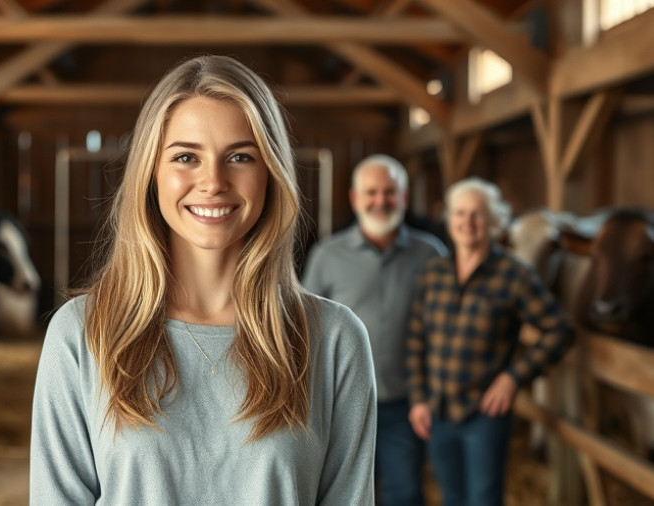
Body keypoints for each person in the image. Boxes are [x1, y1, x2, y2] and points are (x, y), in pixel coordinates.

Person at [29, 55, 377, 505]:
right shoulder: (81, 334)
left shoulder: (335, 339)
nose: (213, 181)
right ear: (152, 172)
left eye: (239, 156)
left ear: (270, 172)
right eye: (186, 157)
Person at [406, 177, 574, 506]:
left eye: (478, 214)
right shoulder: (433, 272)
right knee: (451, 498)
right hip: (438, 410)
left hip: (484, 414)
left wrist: (513, 378)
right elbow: (416, 339)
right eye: (460, 213)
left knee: (483, 499)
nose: (467, 223)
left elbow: (560, 330)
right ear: (450, 219)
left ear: (496, 222)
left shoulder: (515, 274)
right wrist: (418, 399)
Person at [302, 154, 447, 506]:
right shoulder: (327, 255)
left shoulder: (431, 255)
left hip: (405, 402)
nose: (380, 201)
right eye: (371, 193)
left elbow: (447, 329)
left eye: (389, 192)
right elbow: (305, 327)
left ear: (404, 197)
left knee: (405, 493)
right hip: (340, 403)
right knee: (347, 495)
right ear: (355, 199)